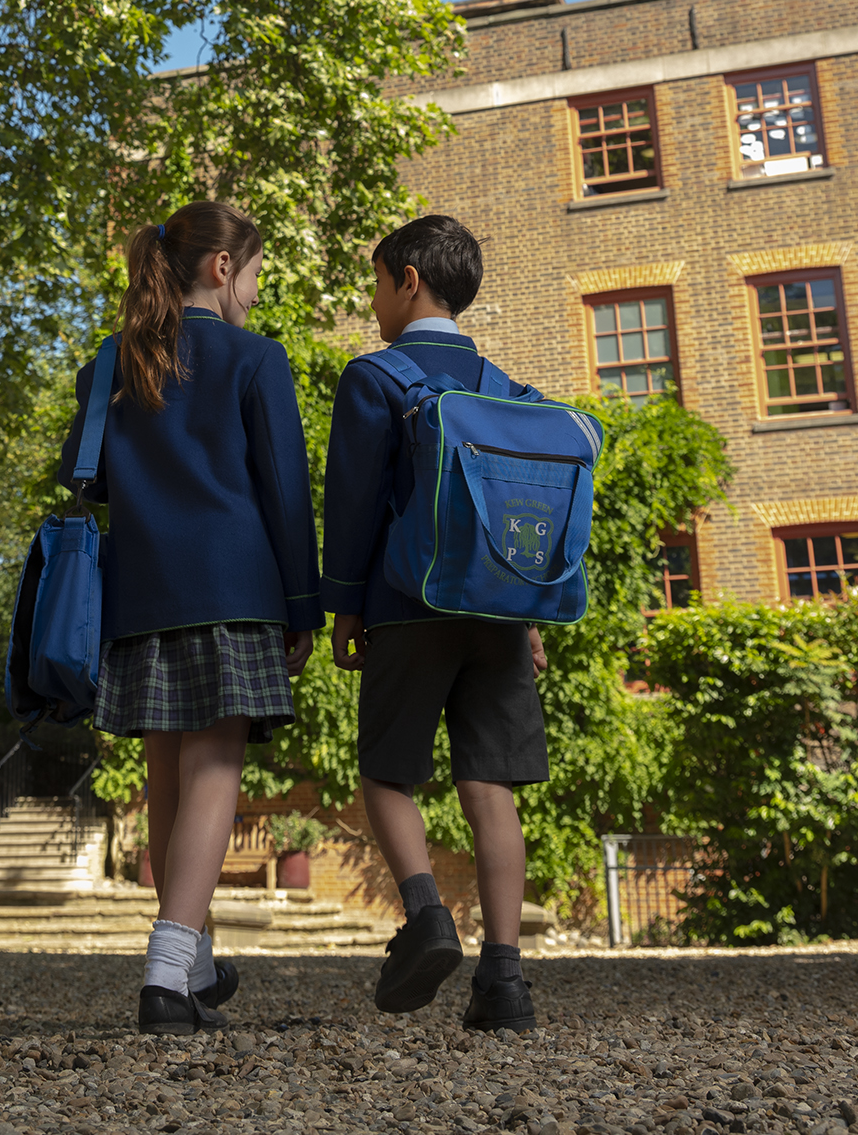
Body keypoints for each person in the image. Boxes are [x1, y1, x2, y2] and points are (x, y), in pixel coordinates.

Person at [57, 198, 321, 1034]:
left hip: (139, 596)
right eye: (253, 274)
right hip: (231, 590)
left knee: (166, 776)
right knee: (214, 771)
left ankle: (194, 963)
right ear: (220, 268)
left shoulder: (112, 362)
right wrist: (304, 605)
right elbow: (286, 494)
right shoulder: (255, 357)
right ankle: (166, 976)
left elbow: (82, 475)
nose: (254, 291)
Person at [323, 214, 548, 1034]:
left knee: (387, 775)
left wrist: (343, 602)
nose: (374, 297)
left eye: (377, 280)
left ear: (407, 278)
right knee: (490, 789)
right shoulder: (507, 390)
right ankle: (506, 982)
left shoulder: (376, 377)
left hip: (408, 607)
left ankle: (425, 914)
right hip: (500, 613)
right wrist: (526, 614)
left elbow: (349, 504)